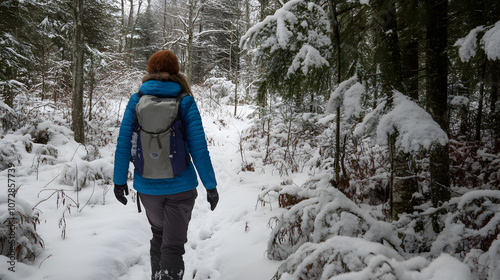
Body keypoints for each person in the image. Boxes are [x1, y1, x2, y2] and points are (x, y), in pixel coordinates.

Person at [113, 50, 219, 280]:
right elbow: (199, 148)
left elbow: (124, 144)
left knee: (158, 237)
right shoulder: (185, 101)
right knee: (173, 247)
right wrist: (210, 186)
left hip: (148, 189)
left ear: (150, 72)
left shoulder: (136, 100)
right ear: (176, 71)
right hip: (181, 188)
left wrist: (119, 181)